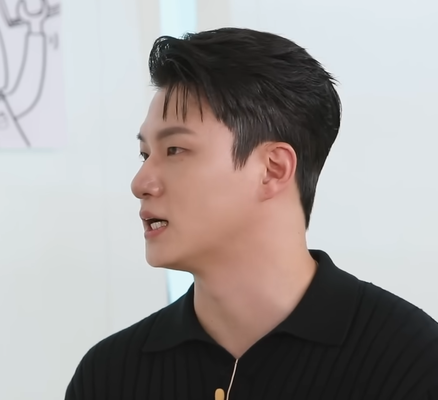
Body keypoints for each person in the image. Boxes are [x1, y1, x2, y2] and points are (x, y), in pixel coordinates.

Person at [65, 28, 438, 400]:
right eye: (145, 155)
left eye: (175, 150)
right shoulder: (108, 376)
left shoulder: (411, 364)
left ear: (273, 169)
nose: (140, 183)